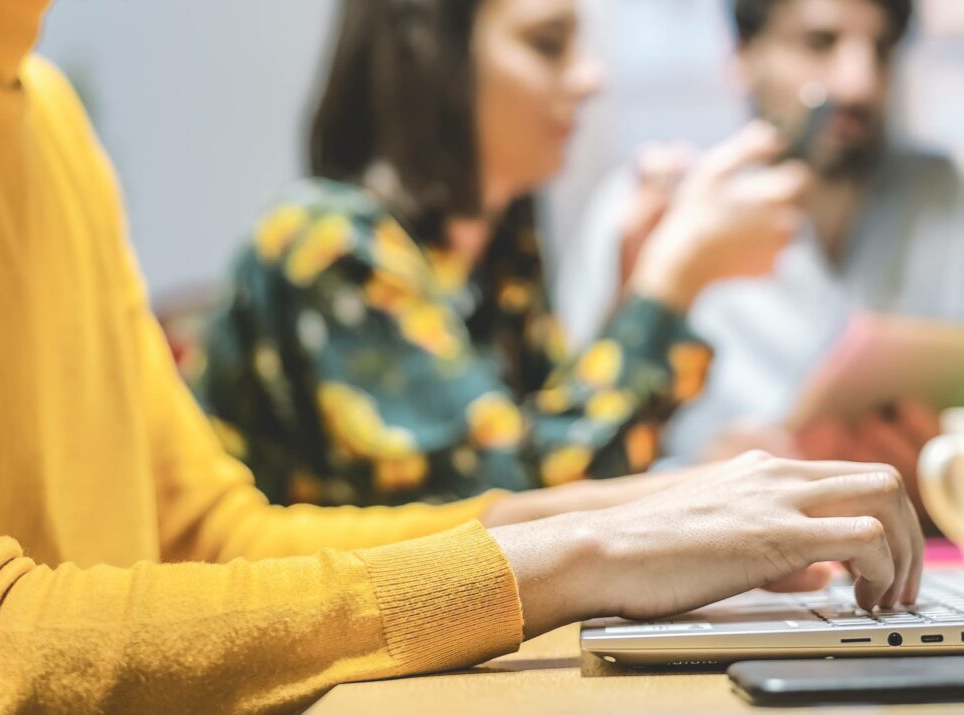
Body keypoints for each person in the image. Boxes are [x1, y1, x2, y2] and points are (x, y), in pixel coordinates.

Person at [0, 0, 922, 711]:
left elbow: (207, 538)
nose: (590, 80)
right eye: (548, 42)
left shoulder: (44, 108)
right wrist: (589, 541)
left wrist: (657, 509)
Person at [192, 0, 811, 508]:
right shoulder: (327, 245)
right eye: (548, 43)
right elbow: (510, 519)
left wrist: (632, 298)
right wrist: (668, 284)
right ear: (432, 54)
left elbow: (563, 475)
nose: (590, 75)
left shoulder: (498, 254)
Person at [553, 0, 964, 515]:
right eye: (819, 43)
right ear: (741, 55)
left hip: (923, 554)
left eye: (881, 48)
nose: (859, 83)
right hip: (719, 576)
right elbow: (564, 462)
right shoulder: (648, 210)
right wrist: (699, 479)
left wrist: (961, 467)